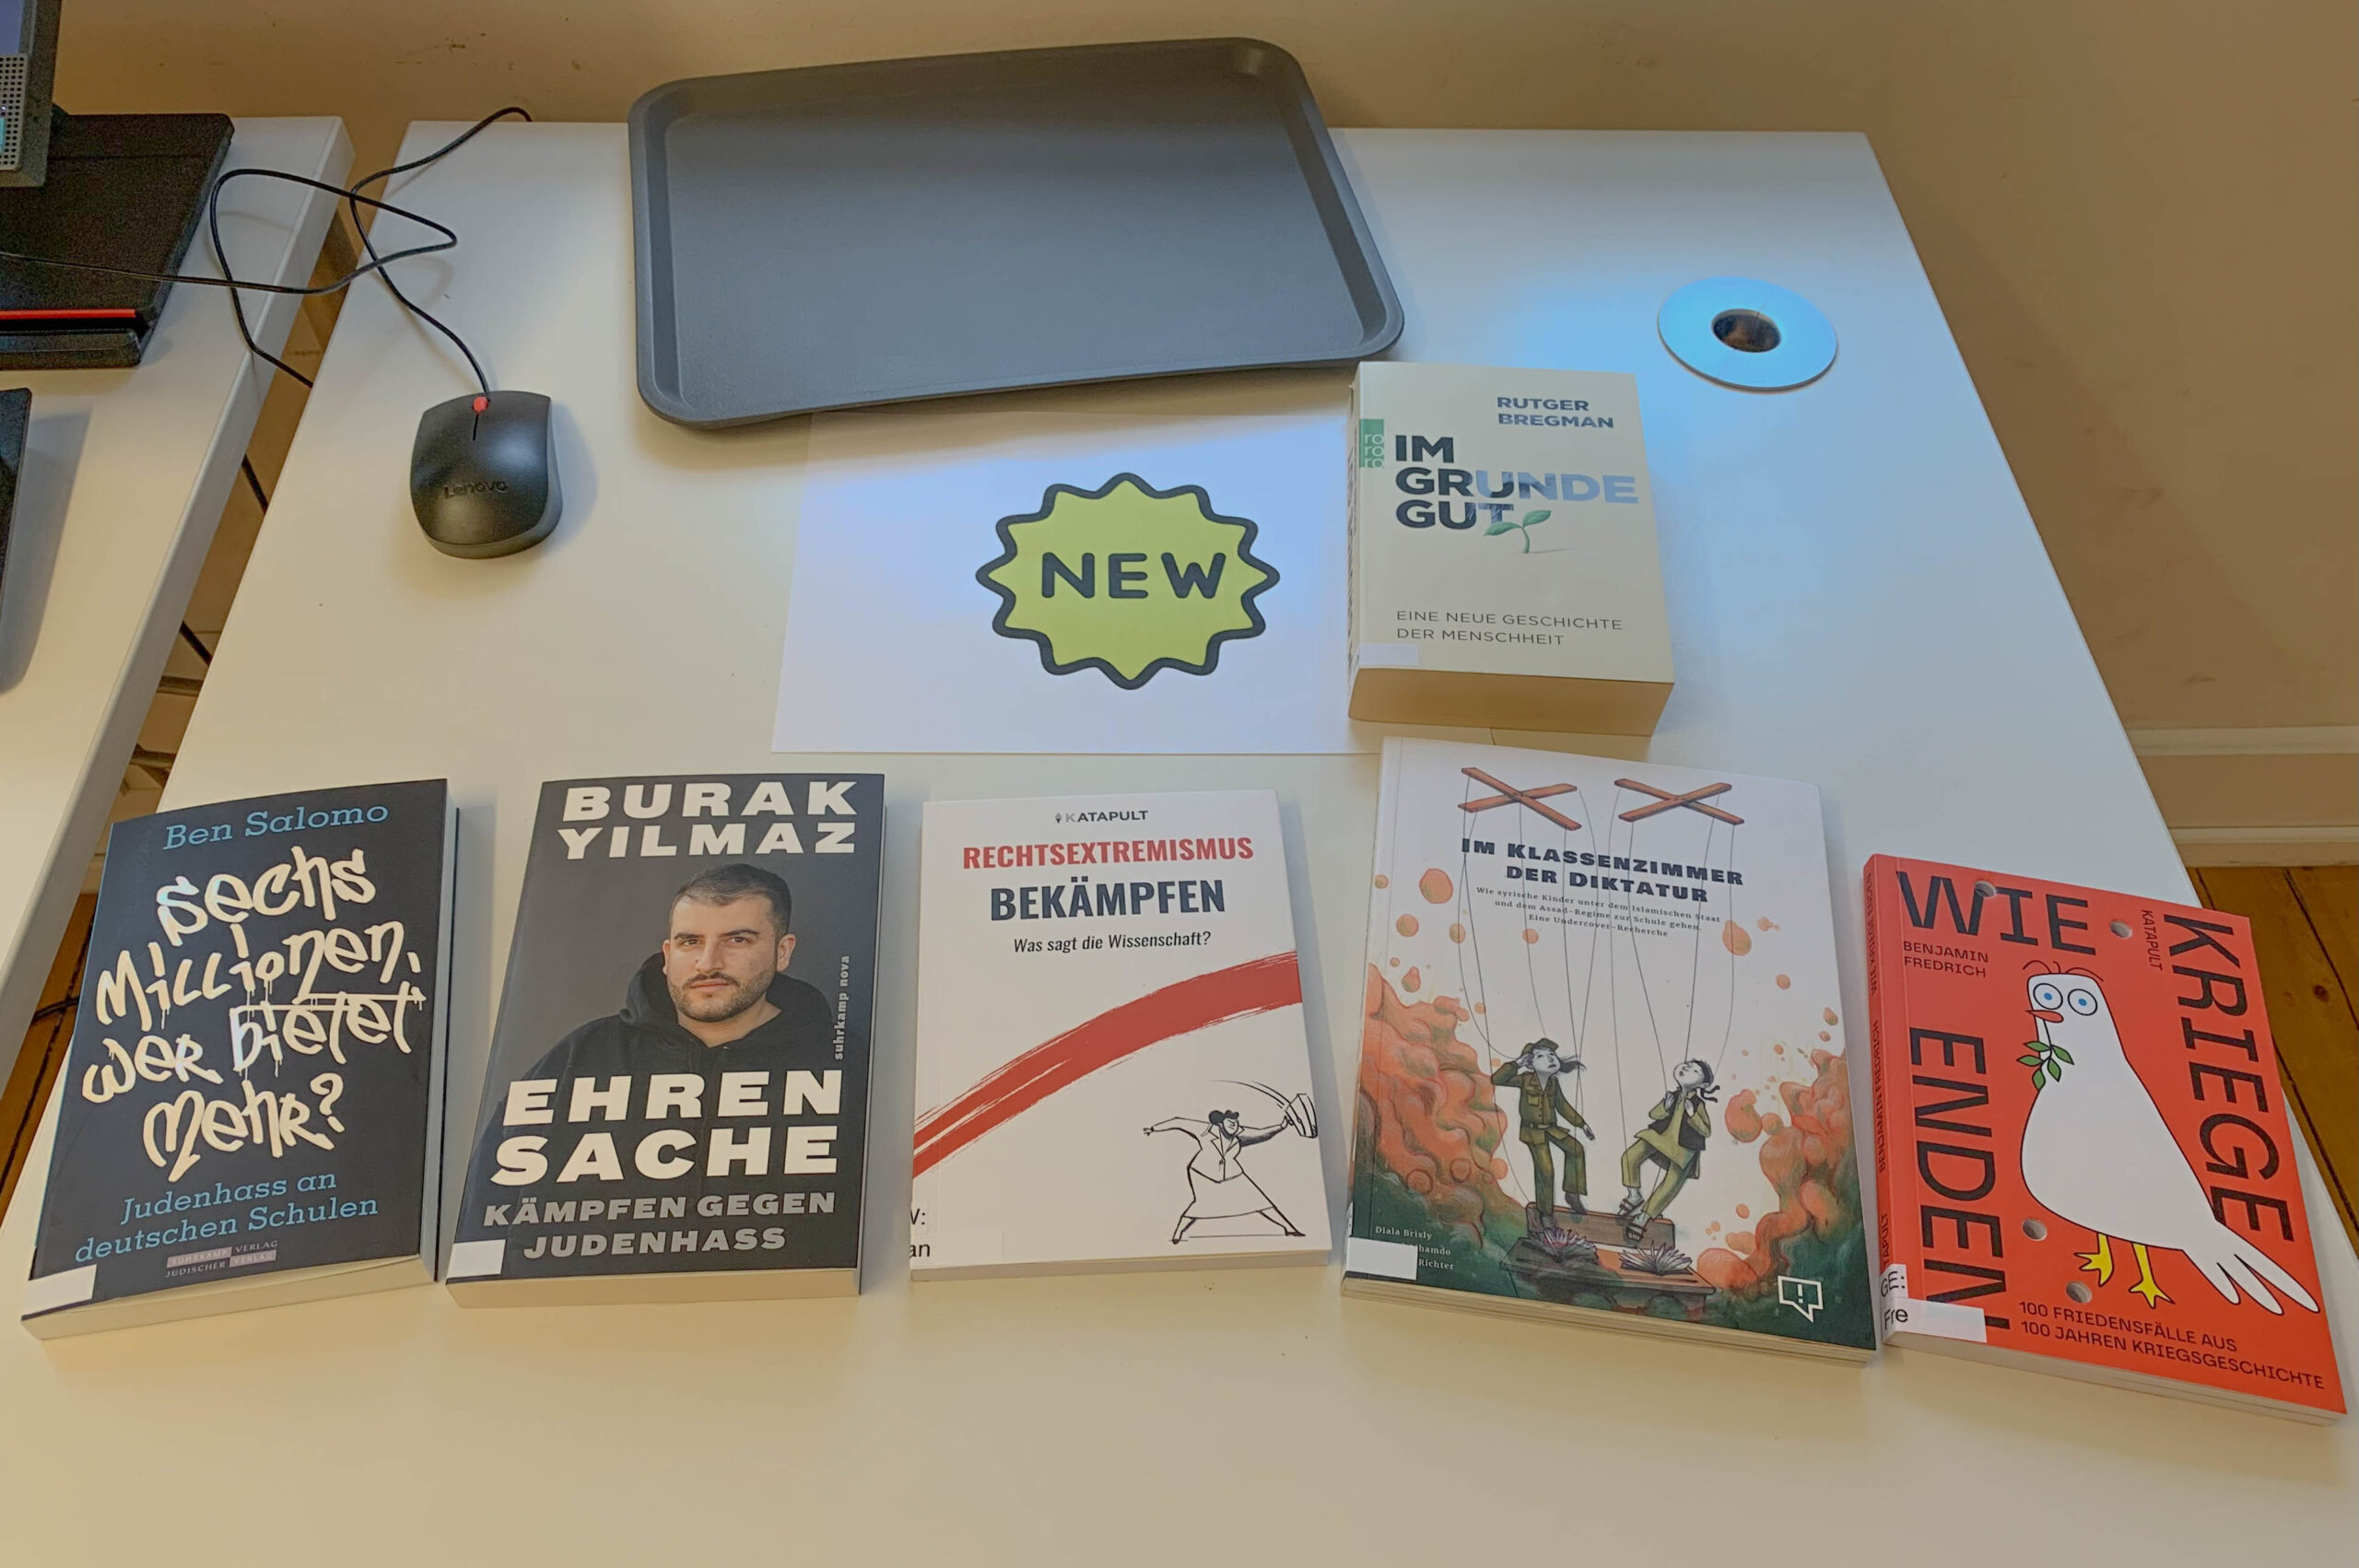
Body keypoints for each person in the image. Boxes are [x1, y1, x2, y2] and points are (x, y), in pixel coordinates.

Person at [1146, 1109, 1302, 1244]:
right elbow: (1178, 1122)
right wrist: (1154, 1129)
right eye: (1230, 1122)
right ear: (1221, 1124)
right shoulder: (1205, 1131)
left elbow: (1263, 1134)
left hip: (1231, 1175)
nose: (1234, 1125)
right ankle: (1178, 1232)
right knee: (1200, 1205)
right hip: (1203, 1174)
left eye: (1235, 1122)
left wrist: (1282, 1126)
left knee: (1259, 1199)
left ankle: (1289, 1228)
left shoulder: (1240, 1135)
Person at [1490, 1038, 1593, 1224]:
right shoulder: (1524, 1079)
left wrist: (1582, 1124)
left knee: (1576, 1149)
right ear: (1530, 1063)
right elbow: (1497, 1079)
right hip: (1533, 1132)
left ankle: (1572, 1193)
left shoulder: (1553, 1083)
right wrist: (1517, 1063)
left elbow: (1563, 1107)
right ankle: (1545, 1213)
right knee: (1546, 1170)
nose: (1550, 1059)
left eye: (1552, 1054)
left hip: (1551, 1128)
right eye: (1540, 1056)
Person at [1618, 1059, 1718, 1242]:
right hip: (1661, 1137)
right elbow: (1653, 1114)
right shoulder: (1673, 1095)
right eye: (1688, 1065)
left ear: (1703, 1085)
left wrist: (1692, 1114)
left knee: (1670, 1185)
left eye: (1695, 1070)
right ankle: (1634, 1195)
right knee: (1630, 1156)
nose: (1687, 1068)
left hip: (1684, 1149)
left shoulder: (1697, 1104)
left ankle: (1643, 1218)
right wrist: (1665, 1106)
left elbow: (1706, 1131)